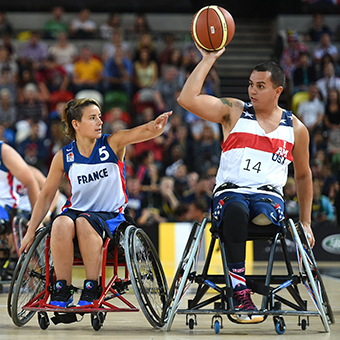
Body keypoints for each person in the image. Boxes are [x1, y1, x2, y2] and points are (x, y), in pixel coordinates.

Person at [177, 44, 313, 323]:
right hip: (231, 194)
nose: (252, 90)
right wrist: (208, 59)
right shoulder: (235, 111)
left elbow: (303, 175)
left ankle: (244, 281)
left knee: (260, 212)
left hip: (269, 199)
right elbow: (187, 99)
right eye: (250, 84)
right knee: (237, 210)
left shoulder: (295, 128)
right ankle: (239, 291)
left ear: (278, 91)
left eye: (260, 86)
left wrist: (307, 222)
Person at [19, 98, 171, 308]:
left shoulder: (112, 143)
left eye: (99, 116)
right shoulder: (64, 156)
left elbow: (141, 132)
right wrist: (30, 231)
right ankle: (62, 289)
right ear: (76, 124)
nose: (100, 121)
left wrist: (154, 127)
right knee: (60, 223)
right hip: (77, 211)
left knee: (84, 221)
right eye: (92, 118)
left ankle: (93, 286)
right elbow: (45, 196)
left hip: (110, 216)